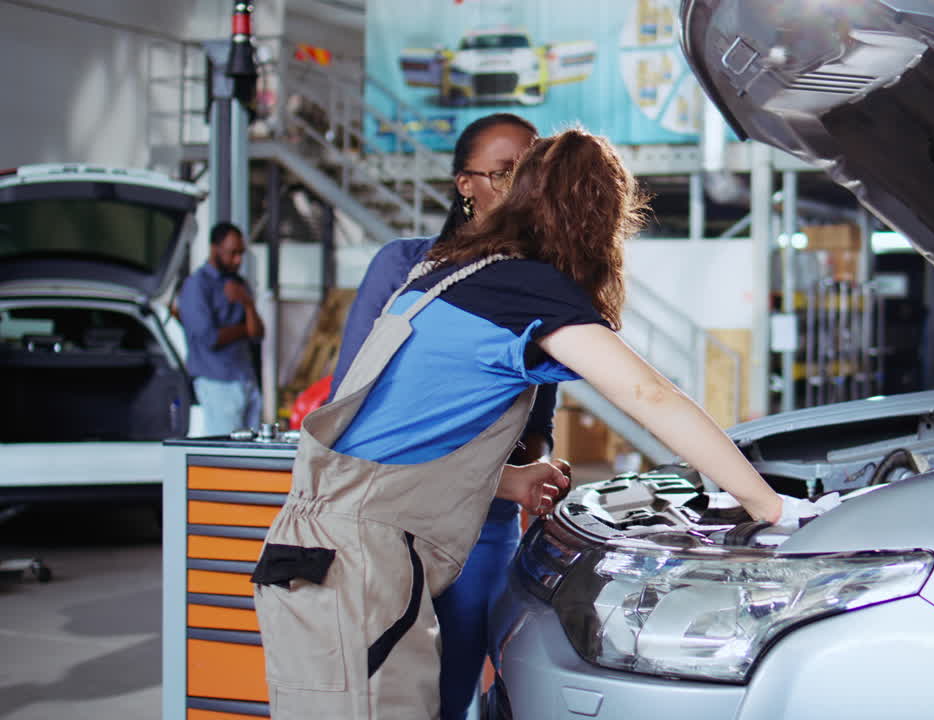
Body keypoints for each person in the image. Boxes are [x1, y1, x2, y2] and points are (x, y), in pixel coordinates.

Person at [251, 128, 826, 719]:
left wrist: (510, 481)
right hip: (357, 565)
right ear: (596, 220)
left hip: (326, 548)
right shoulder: (527, 288)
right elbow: (649, 394)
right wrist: (769, 505)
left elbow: (393, 445)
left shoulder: (455, 275)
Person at [326, 113, 552, 720]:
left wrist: (539, 472)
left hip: (483, 527)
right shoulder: (403, 267)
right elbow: (351, 409)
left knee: (451, 697)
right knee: (379, 694)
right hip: (386, 521)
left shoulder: (540, 289)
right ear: (465, 184)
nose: (523, 189)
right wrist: (505, 478)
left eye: (532, 174)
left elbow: (533, 433)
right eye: (505, 173)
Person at [179, 222, 263, 436]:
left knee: (253, 454)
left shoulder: (240, 284)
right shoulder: (196, 286)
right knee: (228, 452)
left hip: (246, 379)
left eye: (241, 254)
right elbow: (209, 338)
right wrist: (244, 330)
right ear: (215, 249)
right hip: (217, 383)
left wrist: (247, 303)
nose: (238, 260)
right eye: (232, 253)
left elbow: (259, 333)